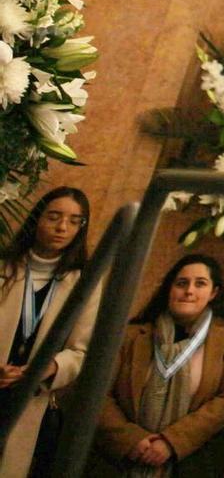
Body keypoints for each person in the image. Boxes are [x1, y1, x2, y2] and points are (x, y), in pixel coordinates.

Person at [89, 254, 224, 477]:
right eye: (182, 283)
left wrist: (171, 442)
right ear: (169, 289)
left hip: (191, 460)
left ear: (214, 293)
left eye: (200, 284)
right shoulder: (133, 334)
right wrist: (131, 440)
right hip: (120, 459)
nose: (189, 291)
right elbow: (98, 392)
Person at [1, 186, 98, 478]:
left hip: (32, 396)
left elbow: (82, 352)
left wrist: (46, 368)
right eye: (54, 217)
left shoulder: (84, 283)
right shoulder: (6, 267)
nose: (62, 227)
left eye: (73, 221)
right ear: (36, 219)